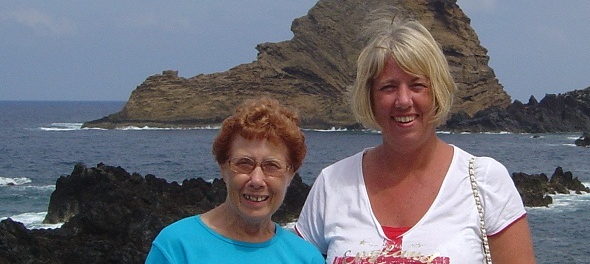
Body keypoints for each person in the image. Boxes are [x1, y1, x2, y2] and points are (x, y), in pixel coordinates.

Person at [295, 8, 536, 264]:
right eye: (388, 87)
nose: (403, 100)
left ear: (437, 91)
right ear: (370, 98)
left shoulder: (484, 181)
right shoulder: (332, 184)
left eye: (417, 85)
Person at [145, 97, 325, 264]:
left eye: (271, 166)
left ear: (291, 174)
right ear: (223, 168)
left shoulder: (306, 258)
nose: (256, 180)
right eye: (244, 164)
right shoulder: (176, 247)